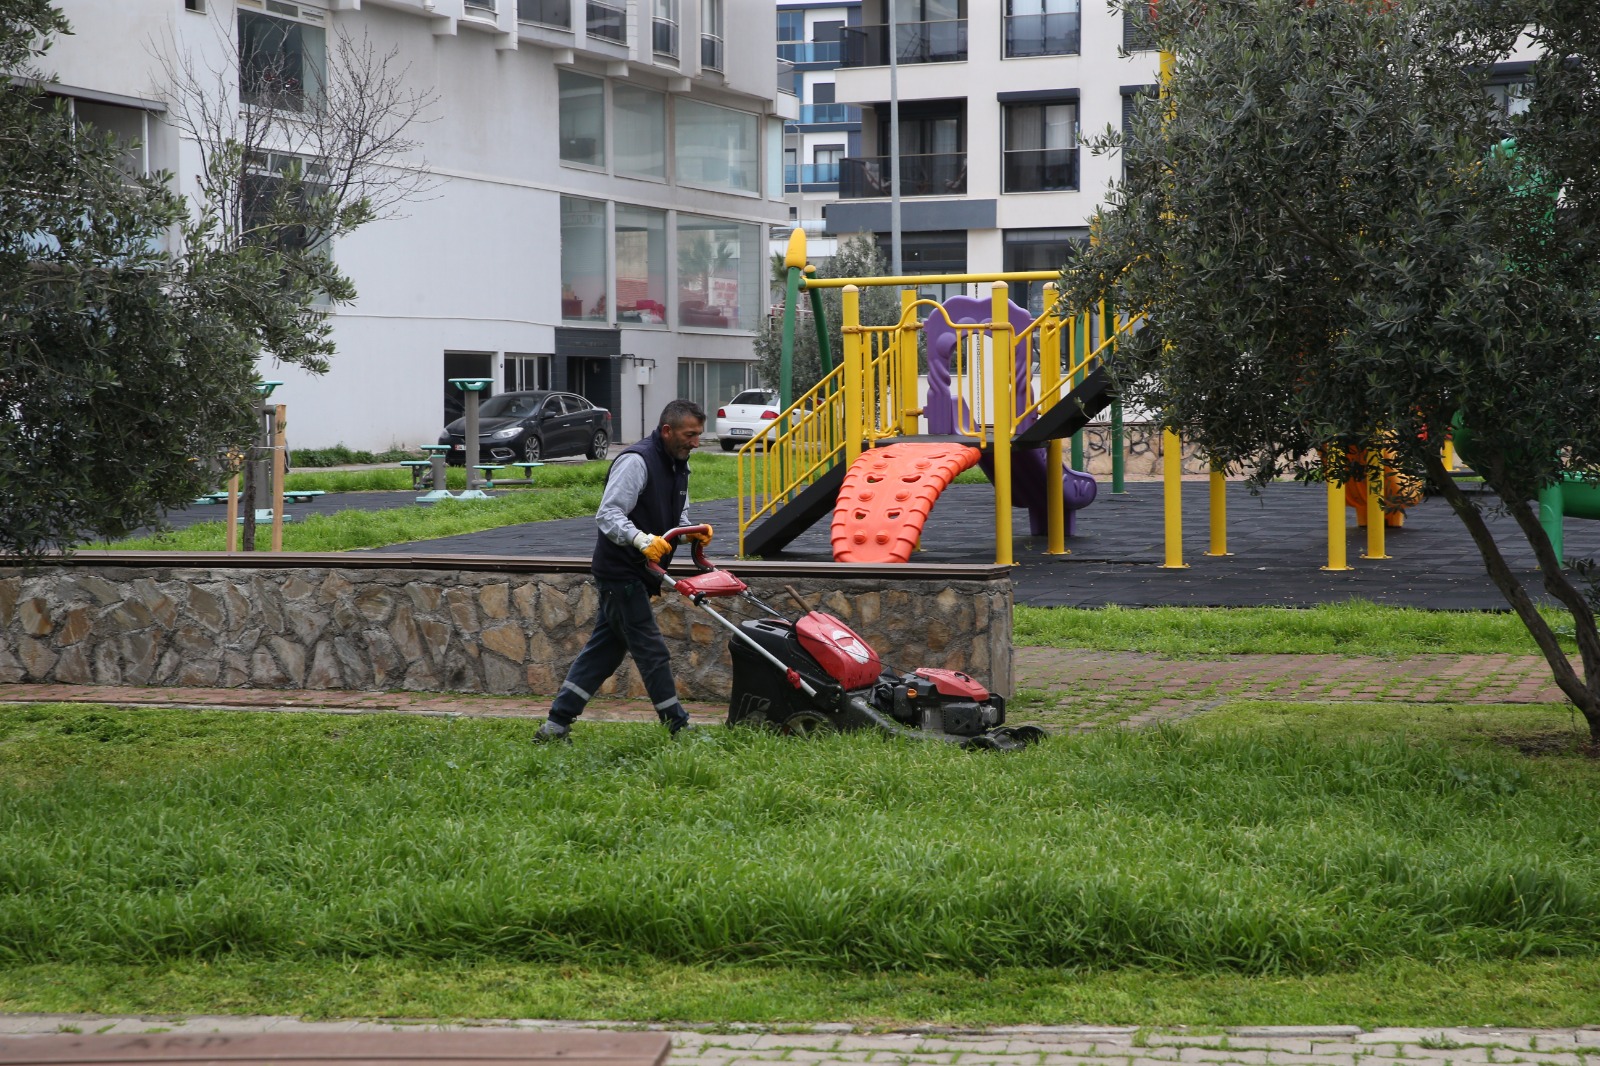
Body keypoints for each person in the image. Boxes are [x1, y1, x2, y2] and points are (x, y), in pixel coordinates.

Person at [535, 399, 711, 743]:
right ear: (667, 431)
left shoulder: (679, 465)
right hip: (621, 572)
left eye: (698, 435)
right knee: (652, 650)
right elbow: (608, 514)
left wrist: (692, 533)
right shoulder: (636, 462)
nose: (695, 442)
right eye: (690, 434)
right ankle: (678, 726)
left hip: (641, 572)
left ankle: (555, 725)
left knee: (605, 650)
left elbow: (679, 517)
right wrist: (641, 540)